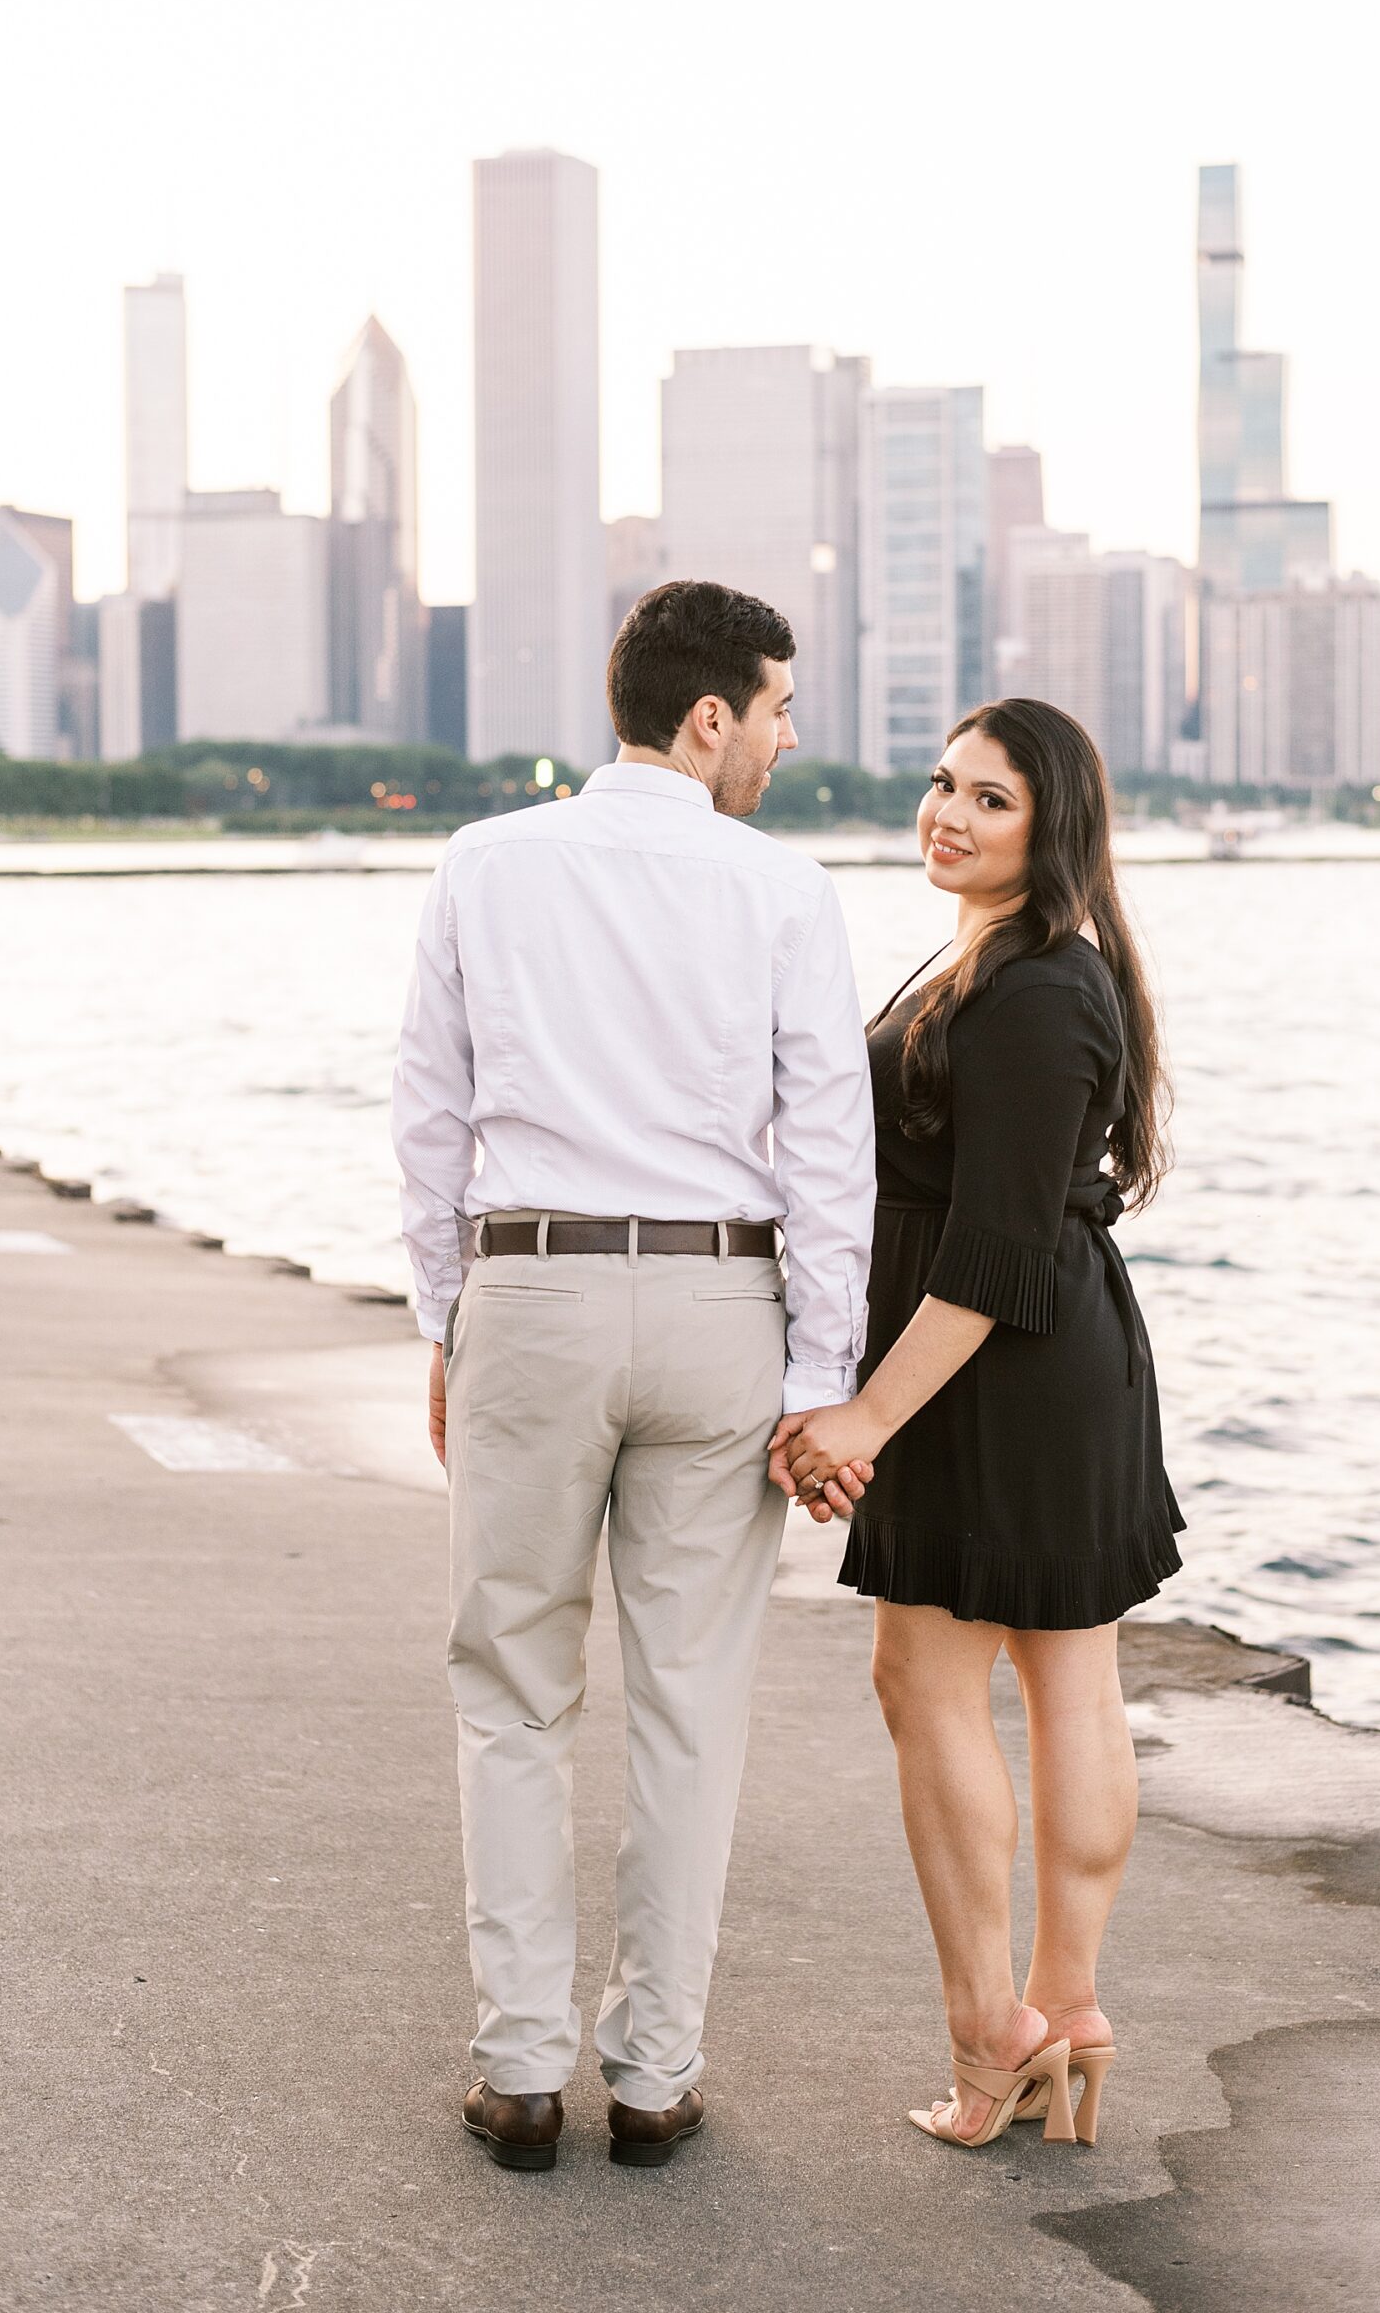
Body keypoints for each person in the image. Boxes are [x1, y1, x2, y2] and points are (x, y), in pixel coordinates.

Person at [391, 580, 875, 2174]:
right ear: (708, 714)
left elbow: (430, 1118)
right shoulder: (786, 893)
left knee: (512, 1690)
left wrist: (446, 1319)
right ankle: (654, 2080)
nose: (790, 740)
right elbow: (828, 1155)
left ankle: (522, 2073)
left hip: (531, 1285)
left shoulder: (486, 862)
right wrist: (819, 1372)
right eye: (780, 710)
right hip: (721, 1305)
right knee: (692, 1706)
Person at [770, 697, 1181, 2153]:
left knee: (934, 1683)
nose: (947, 812)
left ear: (1050, 823)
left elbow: (996, 1251)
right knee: (1063, 1680)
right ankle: (1060, 2015)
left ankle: (996, 2030)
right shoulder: (996, 963)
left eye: (989, 798)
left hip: (990, 1367)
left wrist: (860, 1419)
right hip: (1022, 1363)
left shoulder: (1036, 990)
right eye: (943, 785)